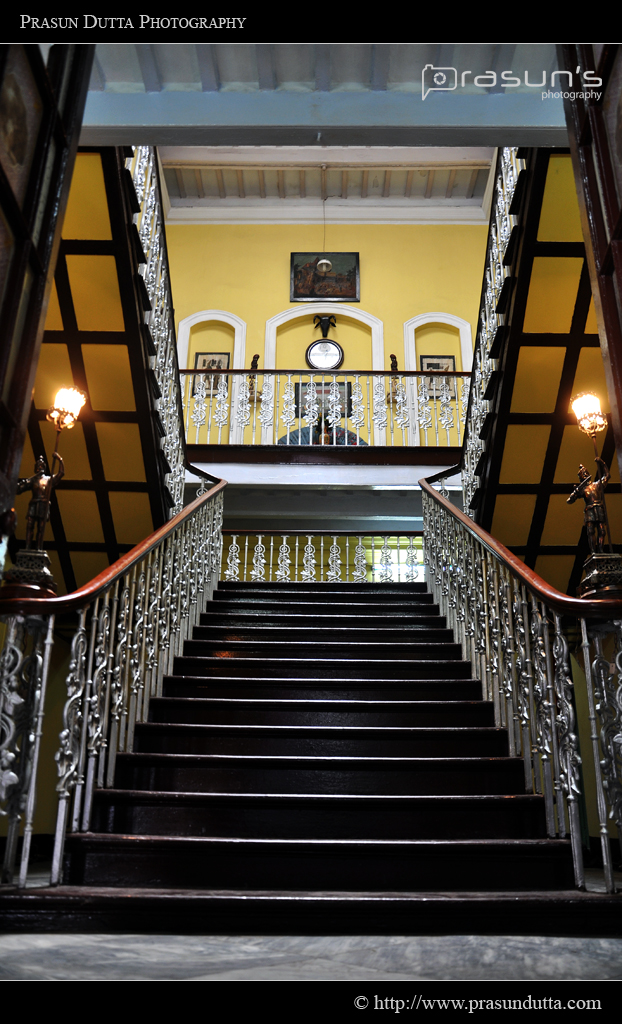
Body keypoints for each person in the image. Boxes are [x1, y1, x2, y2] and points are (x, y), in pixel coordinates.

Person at [16, 453, 64, 550]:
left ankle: (39, 548)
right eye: (39, 466)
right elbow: (18, 490)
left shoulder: (48, 479)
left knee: (41, 528)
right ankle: (27, 547)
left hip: (43, 504)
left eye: (42, 466)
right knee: (30, 525)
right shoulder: (32, 480)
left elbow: (61, 474)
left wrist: (60, 459)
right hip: (33, 504)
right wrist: (19, 484)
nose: (40, 467)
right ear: (36, 468)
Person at [567, 457, 610, 554]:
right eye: (582, 475)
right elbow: (569, 501)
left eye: (584, 473)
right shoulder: (582, 490)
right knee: (590, 531)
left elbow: (607, 475)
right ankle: (593, 551)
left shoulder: (597, 485)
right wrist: (575, 492)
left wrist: (602, 463)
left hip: (599, 507)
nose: (584, 475)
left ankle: (600, 550)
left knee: (602, 530)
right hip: (589, 509)